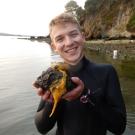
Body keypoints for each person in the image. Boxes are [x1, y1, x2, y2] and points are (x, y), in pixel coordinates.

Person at [33, 13, 126, 135]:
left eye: (73, 34)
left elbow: (119, 127)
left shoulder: (106, 72)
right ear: (54, 46)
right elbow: (42, 128)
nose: (69, 42)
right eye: (60, 39)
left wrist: (86, 95)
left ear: (83, 37)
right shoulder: (53, 76)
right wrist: (52, 102)